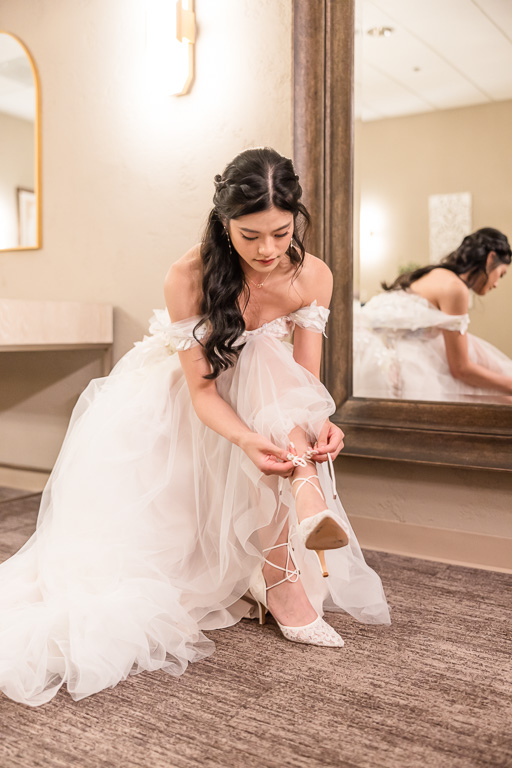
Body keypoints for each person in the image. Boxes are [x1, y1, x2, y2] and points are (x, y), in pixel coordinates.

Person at [0, 147, 390, 707]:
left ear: (296, 221)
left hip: (270, 398)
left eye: (281, 234)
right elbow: (203, 392)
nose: (267, 250)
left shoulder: (313, 275)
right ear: (224, 221)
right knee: (260, 374)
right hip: (186, 399)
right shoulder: (188, 275)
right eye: (250, 235)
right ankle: (296, 529)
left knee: (269, 370)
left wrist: (322, 422)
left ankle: (290, 539)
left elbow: (306, 381)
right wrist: (247, 439)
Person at [354, 228, 512, 402]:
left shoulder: (436, 273)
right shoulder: (456, 288)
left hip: (365, 348)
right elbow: (460, 368)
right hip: (389, 359)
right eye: (501, 274)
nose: (496, 284)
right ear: (490, 258)